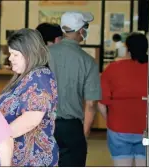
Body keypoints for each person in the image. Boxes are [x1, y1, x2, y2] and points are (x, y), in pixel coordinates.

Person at [0, 28, 59, 166]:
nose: (10, 58)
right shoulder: (25, 77)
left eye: (15, 54)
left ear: (28, 54)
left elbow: (31, 119)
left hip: (30, 159)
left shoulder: (39, 77)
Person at [48, 11, 101, 166]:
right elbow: (91, 104)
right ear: (81, 31)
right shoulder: (88, 61)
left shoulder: (44, 55)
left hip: (44, 123)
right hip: (72, 127)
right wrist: (83, 135)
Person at [98, 33, 148, 167]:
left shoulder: (113, 68)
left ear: (127, 48)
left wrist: (110, 121)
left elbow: (102, 103)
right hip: (146, 130)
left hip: (119, 128)